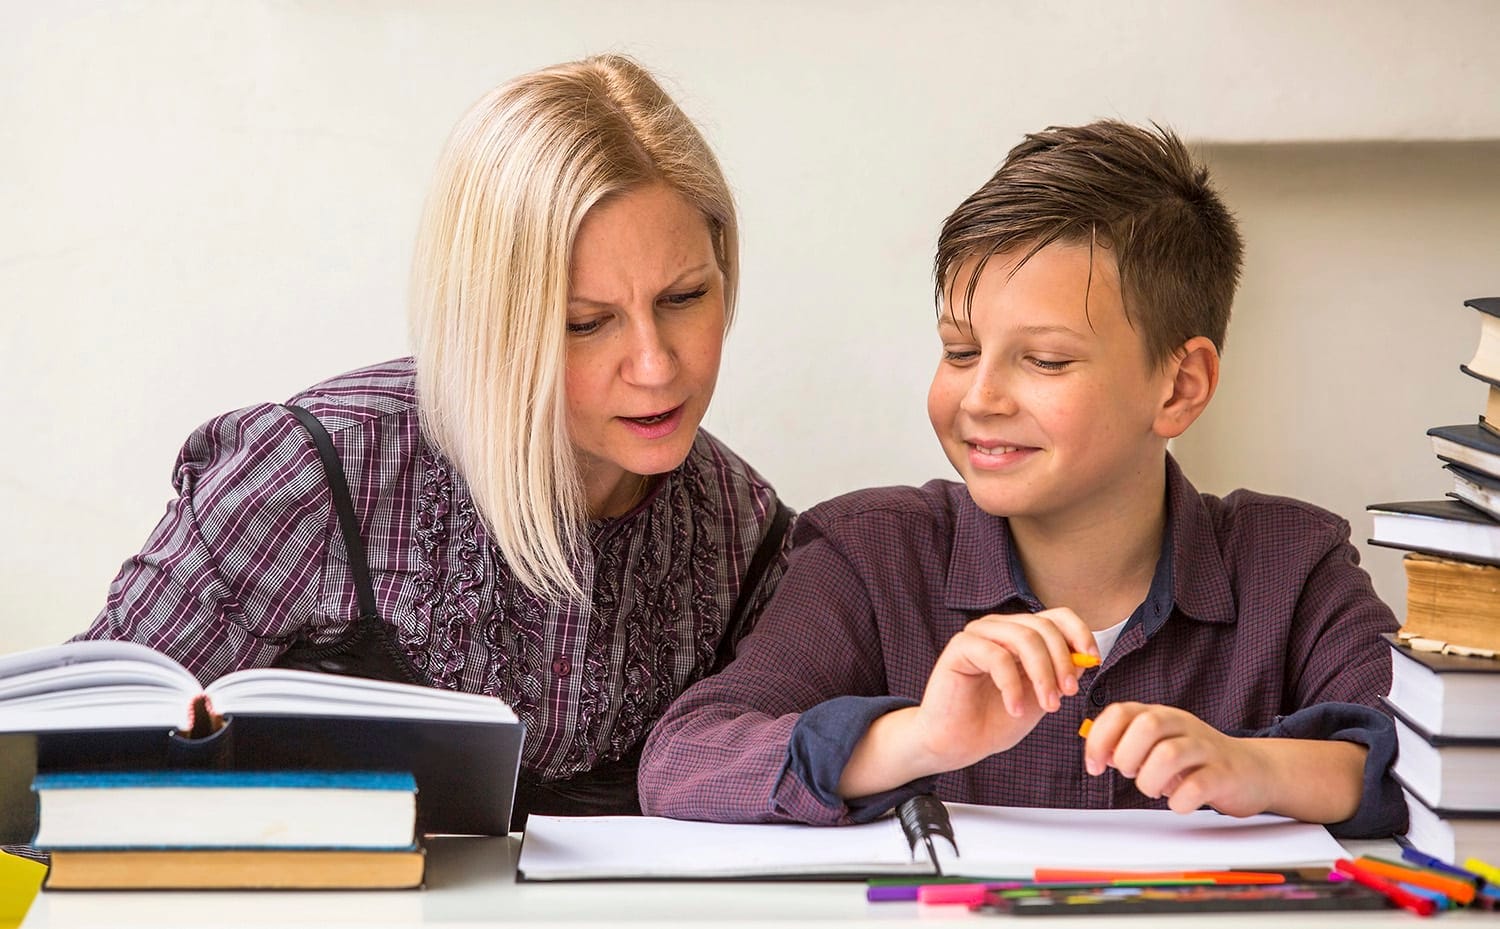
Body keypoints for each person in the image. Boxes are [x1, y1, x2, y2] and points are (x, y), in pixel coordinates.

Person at [637, 120, 1405, 839]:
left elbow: (1441, 765)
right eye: (961, 351)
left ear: (1179, 387)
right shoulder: (870, 555)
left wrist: (1262, 766)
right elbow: (682, 762)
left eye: (1045, 360)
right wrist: (918, 737)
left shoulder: (1293, 563)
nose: (981, 398)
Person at [78, 54, 791, 826]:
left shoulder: (747, 536)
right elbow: (56, 770)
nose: (656, 367)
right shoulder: (310, 478)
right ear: (489, 323)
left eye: (684, 297)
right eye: (585, 322)